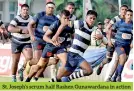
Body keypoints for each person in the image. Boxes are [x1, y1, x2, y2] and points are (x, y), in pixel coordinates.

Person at [25, 10, 74, 82]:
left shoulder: (70, 26)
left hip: (60, 47)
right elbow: (45, 37)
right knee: (40, 65)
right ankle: (28, 78)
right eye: (64, 18)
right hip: (50, 47)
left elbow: (73, 36)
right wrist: (52, 42)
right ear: (60, 18)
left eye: (68, 18)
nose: (66, 20)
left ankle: (57, 79)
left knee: (66, 62)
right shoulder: (55, 24)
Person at [49, 10, 98, 82]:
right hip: (74, 54)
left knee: (59, 78)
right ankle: (68, 78)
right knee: (89, 70)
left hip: (76, 55)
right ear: (86, 17)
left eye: (94, 19)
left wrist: (101, 37)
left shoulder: (94, 29)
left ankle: (51, 83)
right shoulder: (80, 23)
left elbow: (103, 39)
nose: (92, 20)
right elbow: (64, 24)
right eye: (90, 18)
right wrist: (56, 35)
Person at [23, 2, 58, 81]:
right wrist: (32, 35)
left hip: (48, 42)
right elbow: (29, 25)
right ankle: (28, 65)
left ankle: (36, 78)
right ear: (46, 8)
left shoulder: (56, 19)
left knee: (45, 62)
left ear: (54, 9)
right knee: (37, 60)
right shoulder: (39, 15)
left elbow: (57, 31)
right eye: (49, 7)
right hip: (38, 39)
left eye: (52, 8)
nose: (50, 9)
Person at [96, 5, 128, 81]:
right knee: (108, 59)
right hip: (112, 41)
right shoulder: (115, 19)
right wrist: (109, 40)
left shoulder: (128, 20)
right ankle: (101, 65)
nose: (124, 11)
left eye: (125, 10)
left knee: (121, 60)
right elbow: (108, 29)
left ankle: (114, 77)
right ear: (120, 10)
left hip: (121, 43)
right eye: (122, 9)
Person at [8, 4, 33, 82]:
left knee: (29, 57)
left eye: (27, 10)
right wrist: (21, 30)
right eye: (24, 10)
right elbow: (9, 28)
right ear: (21, 10)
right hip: (16, 42)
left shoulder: (31, 18)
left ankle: (21, 69)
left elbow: (35, 27)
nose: (25, 11)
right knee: (15, 61)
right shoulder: (17, 18)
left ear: (28, 11)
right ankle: (13, 78)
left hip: (27, 42)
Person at [111, 9, 133, 82]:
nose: (129, 16)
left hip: (127, 46)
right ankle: (119, 76)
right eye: (128, 15)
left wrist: (132, 42)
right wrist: (111, 40)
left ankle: (114, 77)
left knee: (123, 62)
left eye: (131, 15)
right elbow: (111, 31)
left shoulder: (132, 25)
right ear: (125, 15)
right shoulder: (119, 23)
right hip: (119, 45)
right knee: (122, 58)